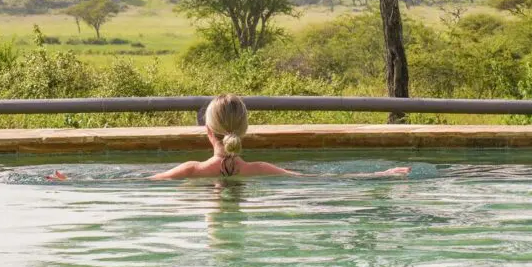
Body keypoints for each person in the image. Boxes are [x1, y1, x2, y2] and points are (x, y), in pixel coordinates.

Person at [149, 94, 410, 180]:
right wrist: (383, 174)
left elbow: (141, 182)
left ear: (208, 131)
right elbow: (318, 179)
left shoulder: (190, 171)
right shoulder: (261, 170)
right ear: (244, 130)